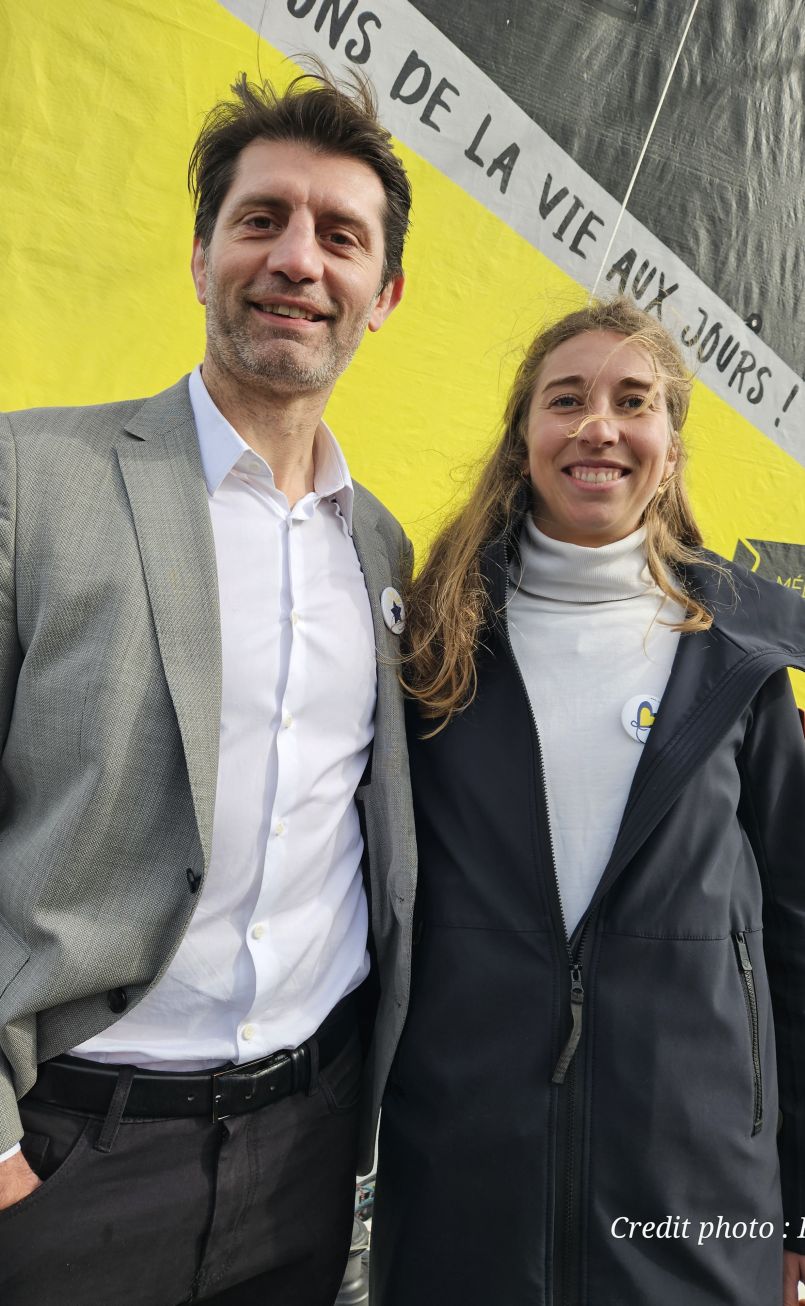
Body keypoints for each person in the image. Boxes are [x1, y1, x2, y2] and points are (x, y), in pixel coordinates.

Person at [0, 67, 418, 1306]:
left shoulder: (386, 553)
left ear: (382, 294)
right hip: (70, 1155)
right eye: (261, 220)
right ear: (200, 258)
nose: (299, 259)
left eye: (339, 236)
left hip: (307, 1148)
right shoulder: (36, 479)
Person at [371, 298, 805, 1306]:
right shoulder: (435, 643)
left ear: (669, 442)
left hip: (696, 1194)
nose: (597, 426)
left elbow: (795, 929)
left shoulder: (739, 658)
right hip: (465, 1184)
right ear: (524, 439)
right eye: (565, 400)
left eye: (632, 401)